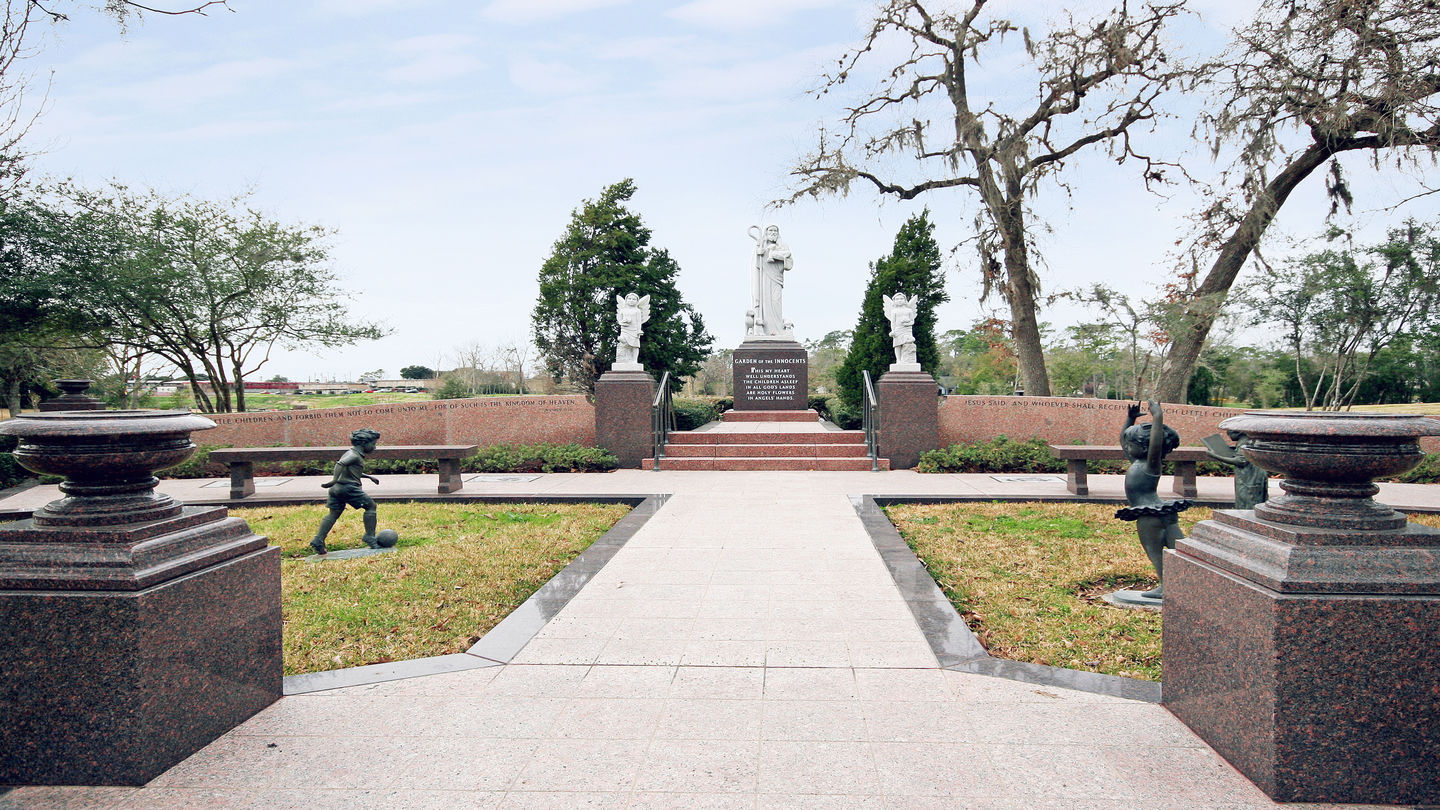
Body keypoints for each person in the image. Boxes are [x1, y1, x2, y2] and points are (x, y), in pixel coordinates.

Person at [1116, 400, 1191, 600]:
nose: (1127, 447)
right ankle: (1191, 578)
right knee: (1179, 547)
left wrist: (1158, 417)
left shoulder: (1150, 465)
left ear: (1144, 448)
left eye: (1132, 445)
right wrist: (1130, 419)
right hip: (1161, 511)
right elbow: (1123, 441)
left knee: (1154, 550)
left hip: (1149, 514)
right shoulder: (1138, 462)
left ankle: (1166, 585)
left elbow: (1155, 445)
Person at [310, 428, 382, 554]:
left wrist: (369, 477)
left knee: (334, 513)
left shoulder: (352, 453)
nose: (375, 447)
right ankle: (369, 536)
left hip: (337, 489)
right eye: (373, 444)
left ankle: (318, 540)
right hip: (348, 488)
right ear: (364, 443)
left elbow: (351, 470)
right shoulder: (353, 455)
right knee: (371, 506)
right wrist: (333, 479)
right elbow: (340, 464)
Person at [1204, 430, 1269, 510]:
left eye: (1230, 434)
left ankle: (1245, 519)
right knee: (1254, 499)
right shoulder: (1250, 440)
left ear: (1238, 432)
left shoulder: (1244, 442)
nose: (1229, 437)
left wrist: (1214, 455)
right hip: (1254, 475)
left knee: (1247, 500)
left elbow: (1241, 461)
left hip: (1249, 478)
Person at [750, 224, 793, 336]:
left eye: (775, 231)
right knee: (765, 302)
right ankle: (762, 328)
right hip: (764, 278)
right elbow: (756, 265)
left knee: (776, 301)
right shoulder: (760, 246)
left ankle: (778, 329)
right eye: (771, 231)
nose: (773, 233)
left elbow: (789, 262)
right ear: (766, 233)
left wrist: (776, 255)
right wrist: (759, 253)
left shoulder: (783, 246)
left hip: (776, 279)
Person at [614, 292, 650, 366]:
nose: (631, 300)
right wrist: (623, 322)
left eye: (634, 299)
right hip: (625, 330)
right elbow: (619, 320)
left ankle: (634, 360)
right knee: (623, 341)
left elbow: (638, 321)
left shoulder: (637, 311)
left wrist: (639, 330)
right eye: (629, 299)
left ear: (637, 301)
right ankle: (623, 359)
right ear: (626, 300)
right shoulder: (623, 310)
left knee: (635, 345)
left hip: (634, 330)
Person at [882, 292, 918, 365]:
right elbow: (893, 322)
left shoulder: (909, 310)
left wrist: (907, 323)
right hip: (898, 330)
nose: (899, 300)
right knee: (897, 345)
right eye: (897, 299)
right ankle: (898, 360)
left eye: (901, 298)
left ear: (905, 300)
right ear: (894, 301)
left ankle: (908, 360)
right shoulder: (894, 311)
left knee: (908, 343)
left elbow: (912, 321)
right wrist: (893, 331)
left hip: (907, 330)